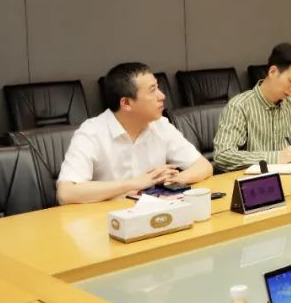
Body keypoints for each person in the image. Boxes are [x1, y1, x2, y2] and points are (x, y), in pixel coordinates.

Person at [57, 63, 212, 204]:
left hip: (153, 213)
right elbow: (66, 193)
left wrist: (171, 181)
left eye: (158, 87)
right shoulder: (91, 133)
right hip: (106, 219)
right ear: (126, 103)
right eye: (152, 90)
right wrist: (135, 183)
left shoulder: (160, 125)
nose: (162, 96)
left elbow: (203, 166)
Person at [212, 43, 291, 171]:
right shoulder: (239, 106)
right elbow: (223, 155)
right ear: (273, 72)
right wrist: (275, 157)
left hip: (290, 177)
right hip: (256, 181)